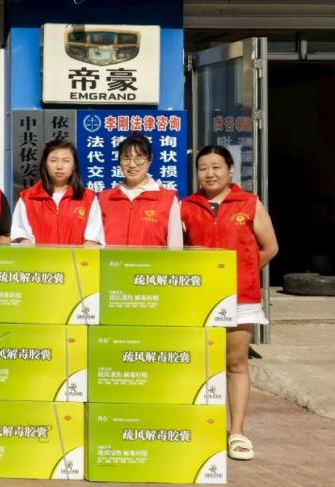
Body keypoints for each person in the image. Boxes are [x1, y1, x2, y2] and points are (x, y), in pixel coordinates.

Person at [181, 145, 278, 462]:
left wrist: (244, 273)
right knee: (199, 363)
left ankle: (237, 432)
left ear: (231, 170)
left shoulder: (249, 203)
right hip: (199, 299)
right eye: (203, 168)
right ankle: (201, 429)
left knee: (235, 363)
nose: (210, 174)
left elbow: (270, 247)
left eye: (216, 167)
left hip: (239, 297)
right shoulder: (186, 207)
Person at [11, 139, 103, 245]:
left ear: (74, 166)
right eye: (53, 160)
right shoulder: (28, 198)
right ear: (45, 164)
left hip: (76, 256)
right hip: (38, 256)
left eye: (66, 161)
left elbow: (93, 237)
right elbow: (21, 233)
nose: (59, 166)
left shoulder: (88, 198)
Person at [98, 133, 182, 248]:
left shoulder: (167, 199)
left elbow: (176, 247)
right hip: (112, 260)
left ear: (150, 160)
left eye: (139, 158)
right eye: (126, 158)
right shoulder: (105, 199)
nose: (132, 165)